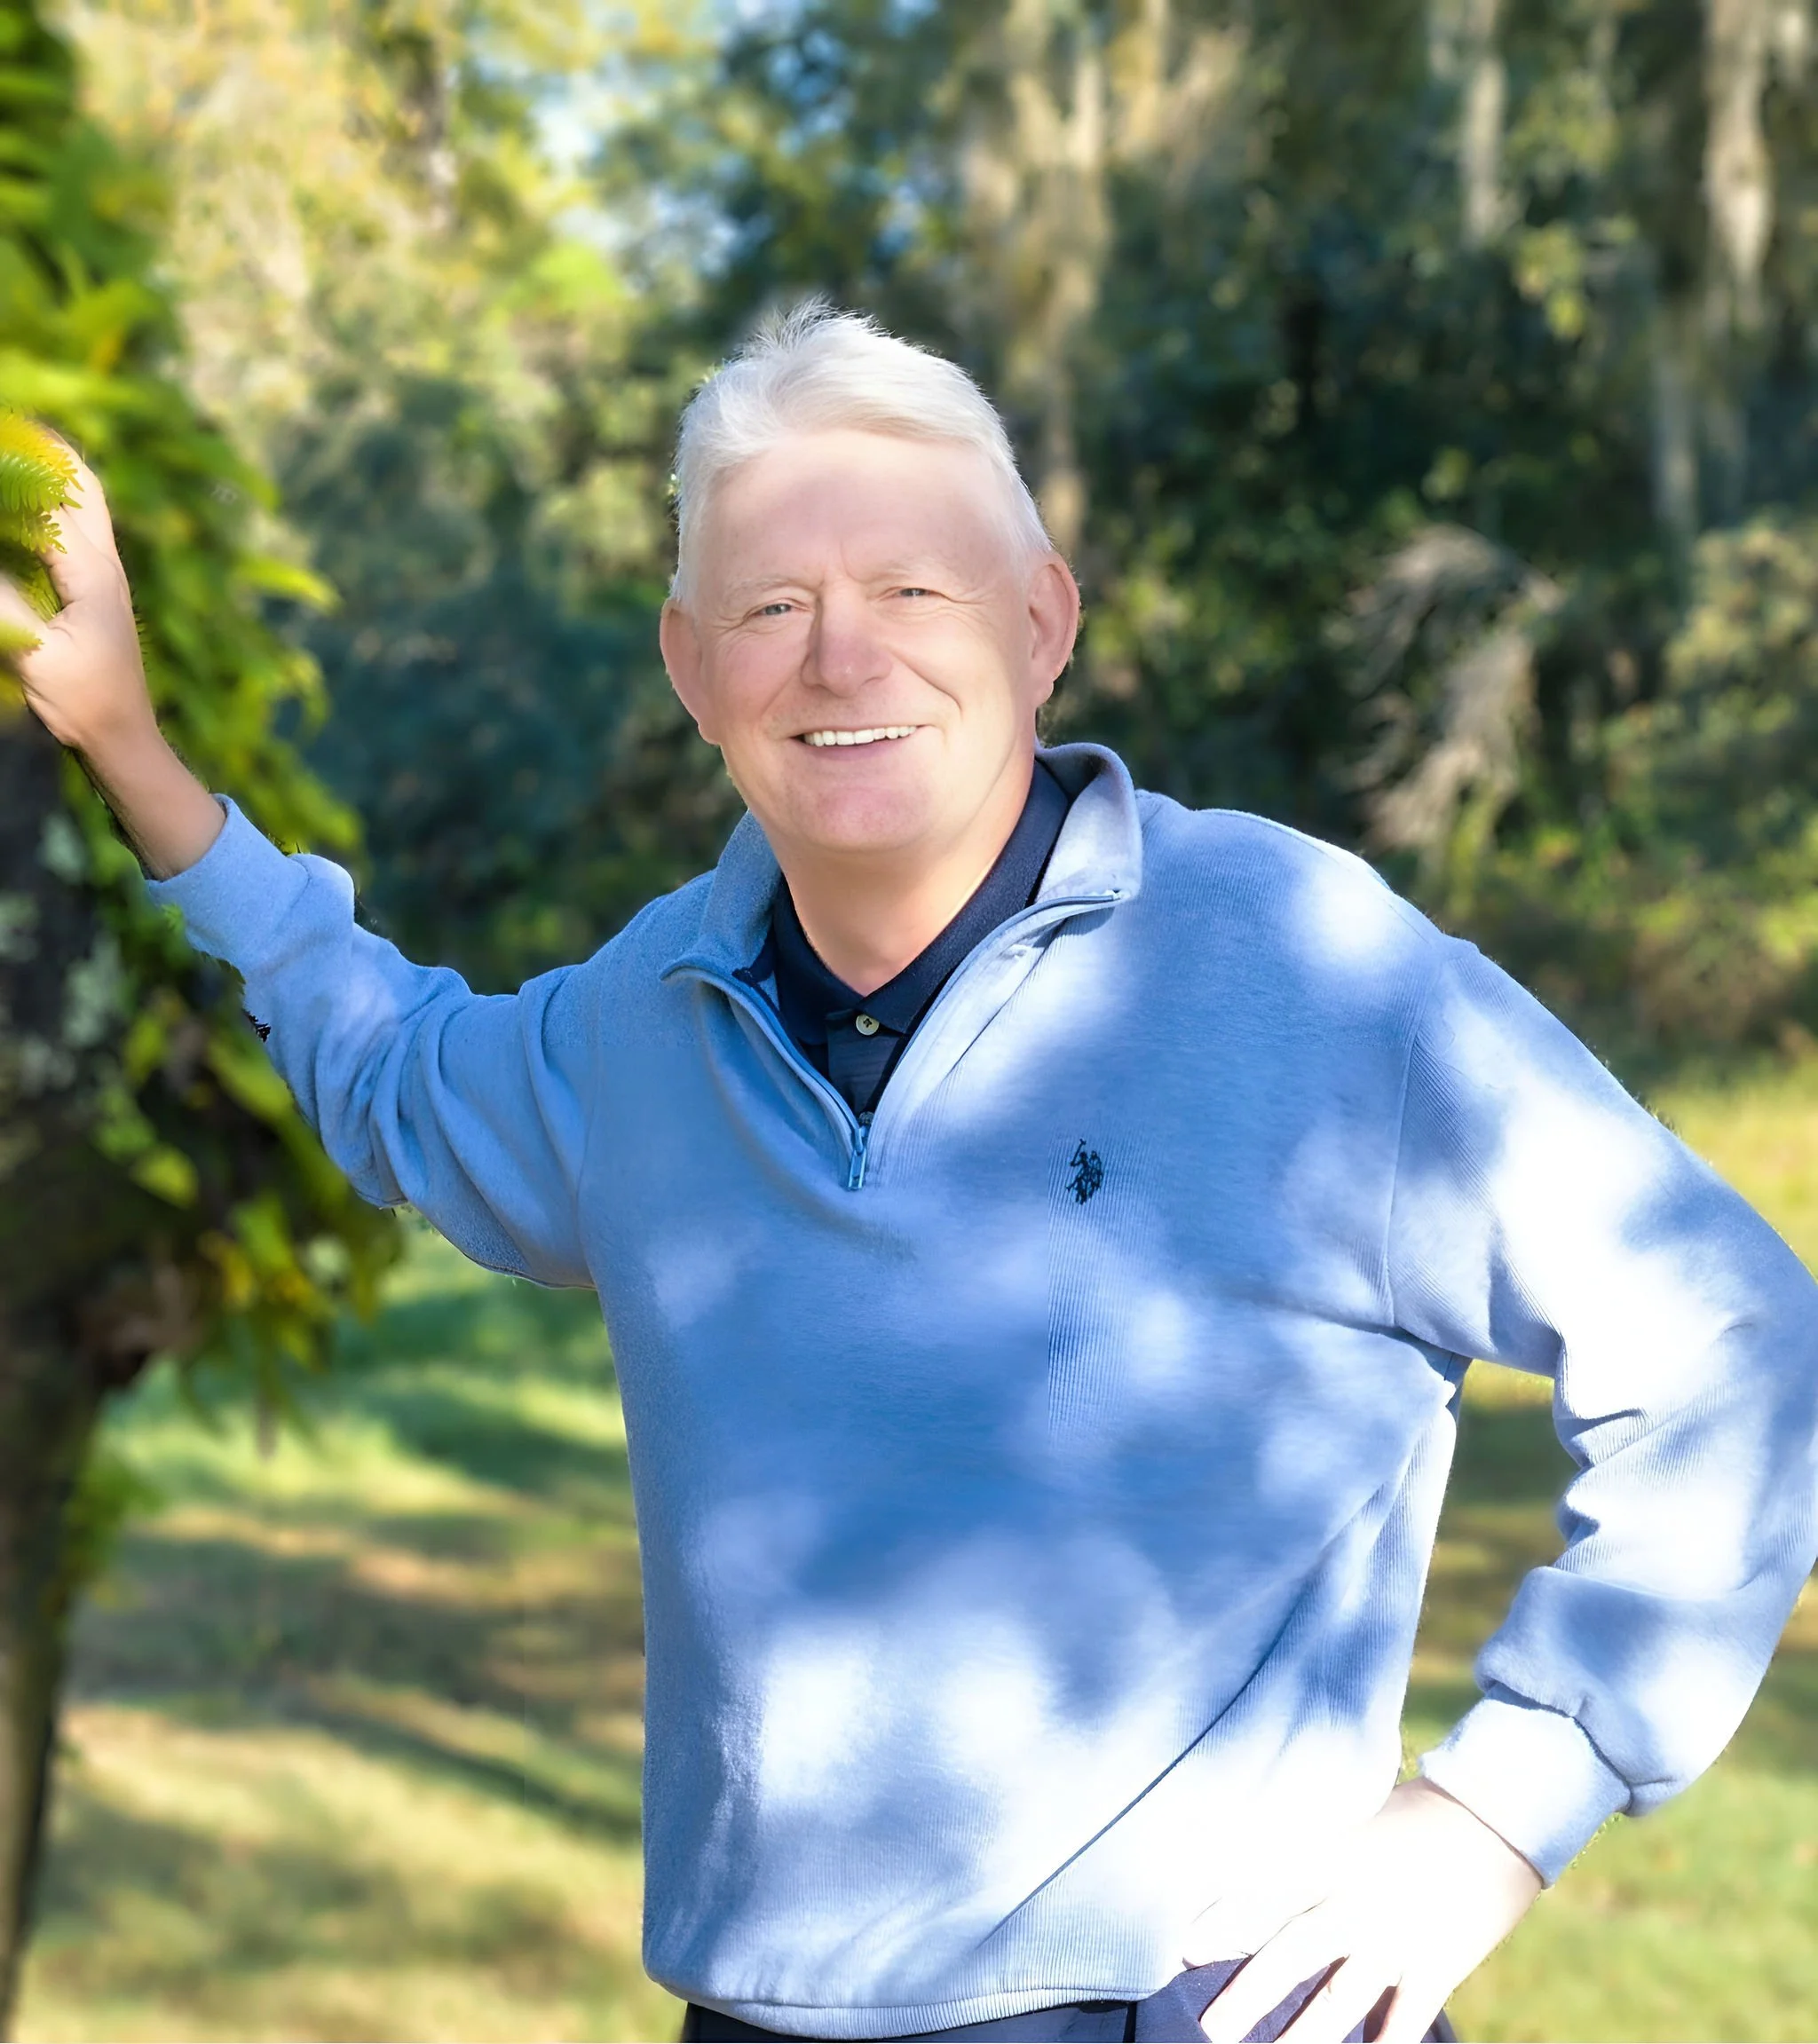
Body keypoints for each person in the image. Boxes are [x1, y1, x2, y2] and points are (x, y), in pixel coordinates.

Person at [7, 303, 1818, 2044]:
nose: (841, 656)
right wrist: (131, 746)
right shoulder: (654, 1011)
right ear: (688, 662)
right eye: (773, 604)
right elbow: (399, 1076)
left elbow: (1730, 1338)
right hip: (765, 2006)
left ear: (1041, 623)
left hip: (1201, 2004)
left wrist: (1503, 1806)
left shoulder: (1300, 964)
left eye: (910, 590)